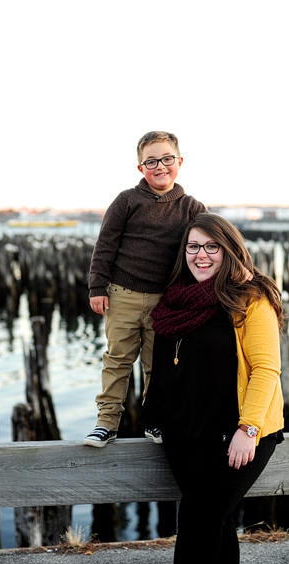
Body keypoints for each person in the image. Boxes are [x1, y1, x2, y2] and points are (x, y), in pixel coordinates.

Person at [142, 213, 285, 564]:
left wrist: (250, 427)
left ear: (229, 249)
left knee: (197, 521)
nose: (200, 255)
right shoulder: (176, 299)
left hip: (237, 434)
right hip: (184, 431)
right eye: (193, 246)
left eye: (211, 247)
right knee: (215, 520)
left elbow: (266, 369)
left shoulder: (250, 298)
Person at [84, 131, 206, 447]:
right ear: (141, 168)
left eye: (166, 159)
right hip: (121, 295)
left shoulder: (192, 208)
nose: (160, 166)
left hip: (165, 302)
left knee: (158, 365)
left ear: (179, 162)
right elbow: (105, 244)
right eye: (151, 161)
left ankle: (154, 421)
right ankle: (106, 423)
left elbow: (210, 244)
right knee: (117, 360)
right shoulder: (127, 201)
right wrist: (97, 286)